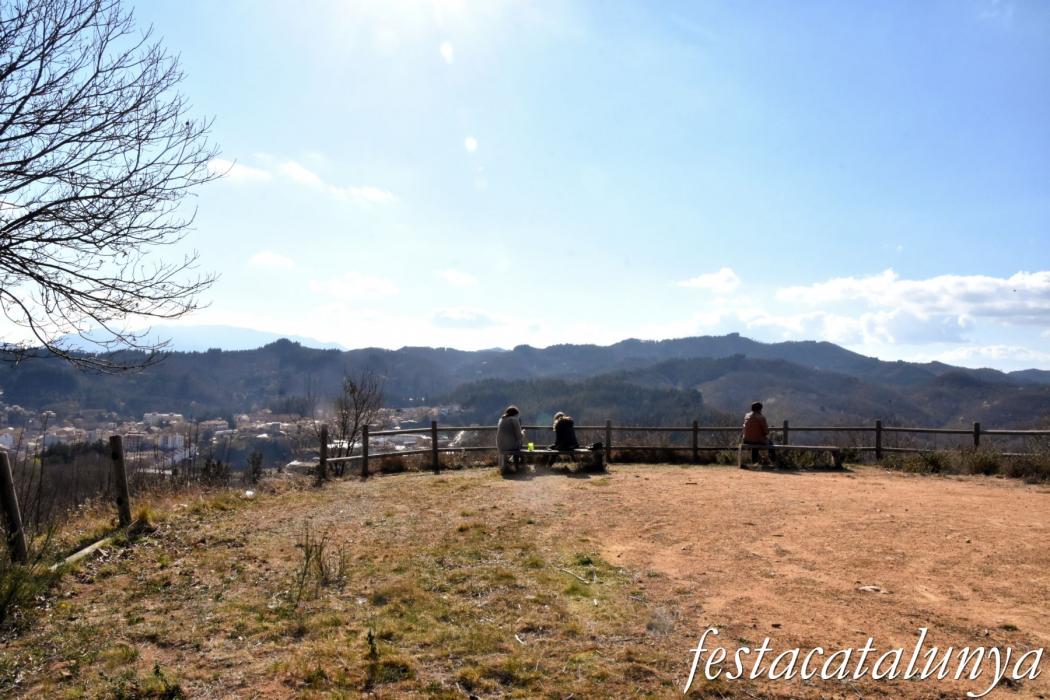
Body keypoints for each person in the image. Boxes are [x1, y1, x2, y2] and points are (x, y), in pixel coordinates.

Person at [742, 401, 776, 466]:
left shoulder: (747, 416)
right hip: (758, 440)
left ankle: (755, 463)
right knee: (770, 444)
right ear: (760, 409)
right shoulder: (761, 417)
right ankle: (773, 462)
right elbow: (766, 432)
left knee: (755, 445)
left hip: (746, 440)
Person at [496, 405, 525, 473]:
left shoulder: (501, 419)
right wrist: (523, 432)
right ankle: (517, 466)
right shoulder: (515, 420)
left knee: (518, 443)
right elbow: (519, 436)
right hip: (510, 446)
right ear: (516, 414)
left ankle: (508, 464)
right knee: (520, 443)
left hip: (500, 446)